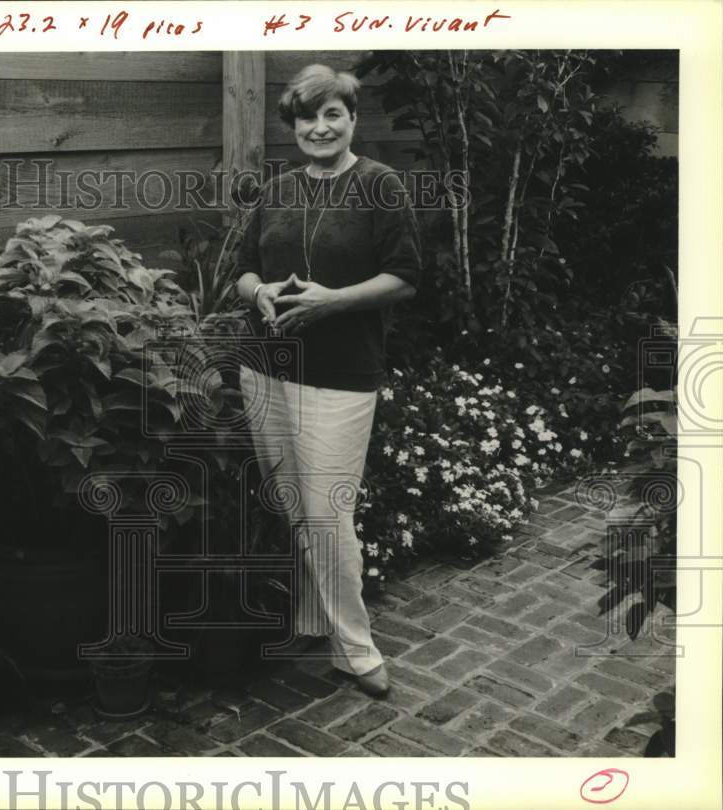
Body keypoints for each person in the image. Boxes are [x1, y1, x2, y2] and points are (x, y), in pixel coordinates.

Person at [234, 64, 422, 697]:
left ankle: (356, 648)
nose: (320, 127)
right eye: (307, 117)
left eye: (332, 114)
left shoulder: (380, 186)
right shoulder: (278, 189)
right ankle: (313, 618)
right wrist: (259, 292)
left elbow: (406, 276)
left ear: (352, 119)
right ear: (294, 127)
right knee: (291, 502)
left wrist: (331, 301)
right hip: (264, 368)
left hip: (341, 376)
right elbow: (242, 270)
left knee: (328, 514)